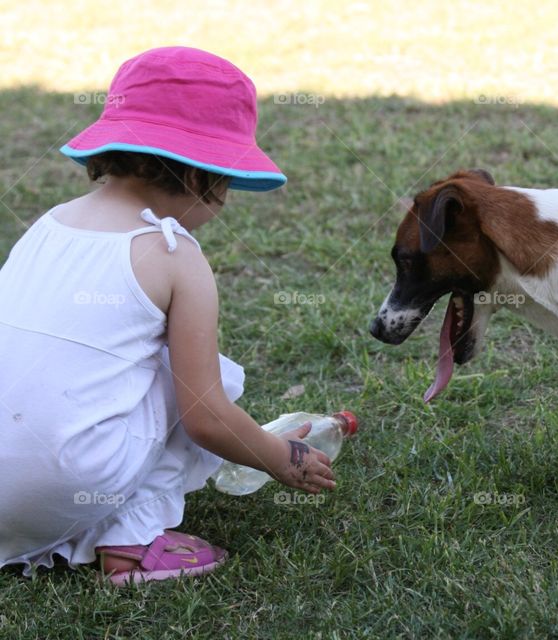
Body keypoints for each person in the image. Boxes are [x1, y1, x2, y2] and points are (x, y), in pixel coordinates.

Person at [0, 46, 335, 585]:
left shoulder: (50, 224)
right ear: (203, 177)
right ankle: (131, 544)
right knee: (210, 378)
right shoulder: (176, 255)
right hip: (56, 487)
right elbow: (205, 417)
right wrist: (279, 456)